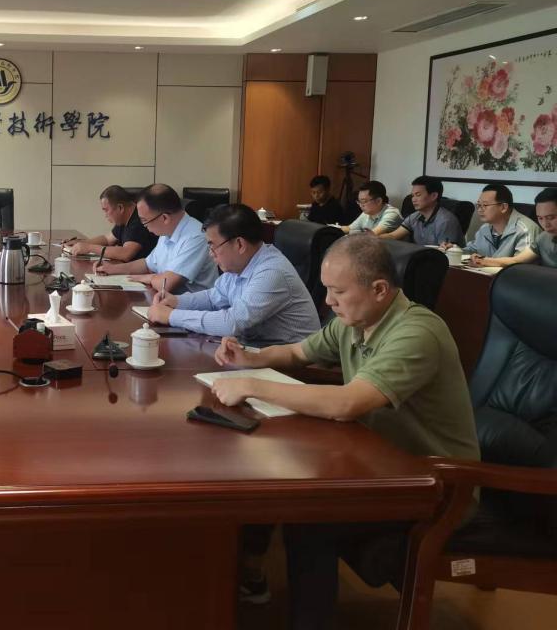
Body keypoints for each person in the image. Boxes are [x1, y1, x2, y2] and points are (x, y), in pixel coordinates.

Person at [211, 235, 479, 629]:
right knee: (266, 478)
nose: (328, 301)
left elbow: (348, 403)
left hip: (434, 485)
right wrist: (250, 358)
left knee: (309, 519)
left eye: (337, 292)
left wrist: (252, 385)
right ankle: (241, 579)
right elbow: (298, 352)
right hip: (379, 462)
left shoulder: (416, 333)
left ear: (379, 289)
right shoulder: (355, 321)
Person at [148, 204, 320, 347]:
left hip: (291, 366)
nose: (210, 253)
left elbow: (232, 323)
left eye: (213, 246)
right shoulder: (241, 264)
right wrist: (176, 302)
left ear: (239, 244)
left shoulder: (272, 272)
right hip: (256, 351)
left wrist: (171, 316)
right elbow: (214, 298)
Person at [95, 183, 217, 293]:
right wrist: (113, 269)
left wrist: (147, 278)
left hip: (190, 307)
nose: (144, 226)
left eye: (145, 221)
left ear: (164, 218)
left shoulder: (196, 237)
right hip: (166, 300)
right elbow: (148, 264)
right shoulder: (168, 230)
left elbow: (167, 284)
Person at [465, 187, 557, 268]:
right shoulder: (543, 238)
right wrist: (483, 260)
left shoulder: (524, 228)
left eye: (551, 217)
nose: (545, 224)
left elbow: (522, 267)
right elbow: (516, 260)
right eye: (540, 218)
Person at [65, 185, 158, 261]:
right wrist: (80, 244)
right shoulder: (124, 218)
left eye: (106, 210)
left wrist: (89, 247)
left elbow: (125, 253)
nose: (105, 215)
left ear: (120, 208)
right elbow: (107, 239)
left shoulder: (138, 221)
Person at [449, 183, 540, 261]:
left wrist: (486, 262)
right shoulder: (485, 228)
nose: (480, 210)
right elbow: (473, 250)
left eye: (485, 205)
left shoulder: (524, 230)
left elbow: (520, 265)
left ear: (503, 207)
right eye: (479, 205)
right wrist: (454, 249)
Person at [380, 175, 465, 247]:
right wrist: (374, 238)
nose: (413, 199)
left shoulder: (445, 221)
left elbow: (446, 251)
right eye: (412, 195)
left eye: (418, 195)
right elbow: (393, 236)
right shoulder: (415, 216)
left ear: (433, 196)